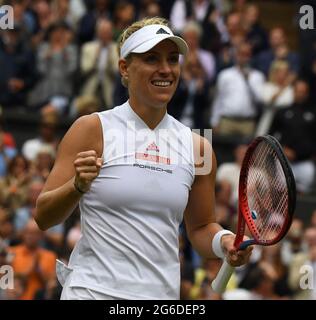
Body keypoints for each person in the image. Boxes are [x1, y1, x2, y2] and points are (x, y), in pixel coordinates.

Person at [35, 17, 252, 300]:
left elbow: (200, 227)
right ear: (125, 68)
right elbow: (42, 216)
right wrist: (76, 186)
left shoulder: (199, 145)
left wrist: (224, 241)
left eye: (173, 60)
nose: (165, 69)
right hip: (92, 291)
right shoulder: (90, 128)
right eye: (152, 59)